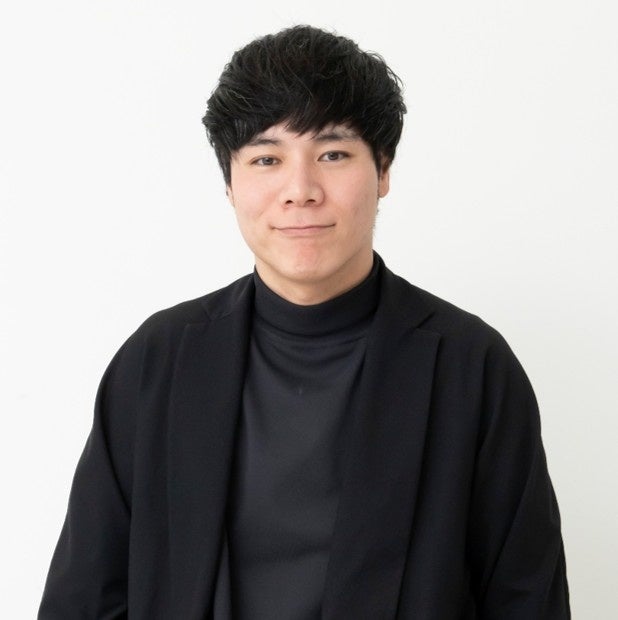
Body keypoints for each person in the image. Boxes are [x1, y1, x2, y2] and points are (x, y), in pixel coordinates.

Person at [39, 25, 570, 619]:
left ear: (383, 169)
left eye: (333, 154)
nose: (300, 190)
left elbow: (528, 601)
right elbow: (83, 599)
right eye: (266, 158)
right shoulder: (157, 360)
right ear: (229, 182)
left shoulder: (471, 368)